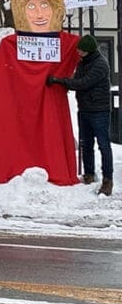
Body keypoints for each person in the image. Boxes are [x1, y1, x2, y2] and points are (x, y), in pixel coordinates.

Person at [0, 0, 80, 186]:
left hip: (50, 105)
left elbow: (88, 56)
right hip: (21, 107)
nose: (39, 14)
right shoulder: (10, 45)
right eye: (31, 6)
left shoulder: (66, 44)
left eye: (44, 6)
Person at [48, 35, 113, 196]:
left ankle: (107, 180)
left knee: (103, 145)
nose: (78, 52)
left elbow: (83, 83)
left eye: (80, 50)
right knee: (86, 144)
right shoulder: (83, 63)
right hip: (85, 109)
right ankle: (89, 174)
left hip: (99, 111)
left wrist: (59, 81)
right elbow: (77, 79)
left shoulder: (100, 65)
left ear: (88, 51)